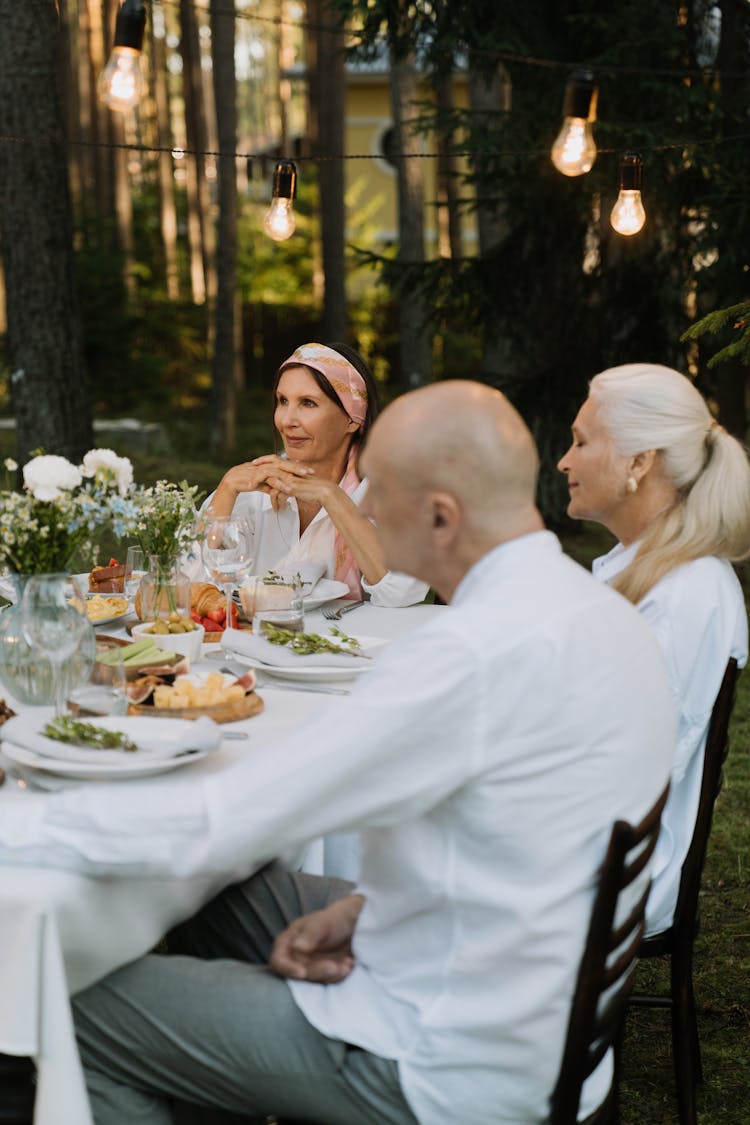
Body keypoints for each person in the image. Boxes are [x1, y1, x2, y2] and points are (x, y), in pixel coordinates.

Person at [0, 382, 675, 1123]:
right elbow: (539, 837)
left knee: (75, 1006)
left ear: (440, 517)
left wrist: (20, 827)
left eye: (378, 499)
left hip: (436, 1054)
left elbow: (222, 818)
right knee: (218, 895)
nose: (365, 517)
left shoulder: (467, 655)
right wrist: (361, 907)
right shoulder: (601, 611)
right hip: (518, 997)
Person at [558, 361, 750, 936]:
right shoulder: (644, 566)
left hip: (606, 870)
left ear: (640, 462)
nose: (565, 460)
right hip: (587, 840)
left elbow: (614, 773)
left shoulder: (681, 594)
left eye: (581, 441)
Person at [200, 341, 427, 607]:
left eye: (308, 403)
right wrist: (226, 490)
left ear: (353, 418)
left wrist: (332, 496)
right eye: (282, 401)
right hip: (258, 643)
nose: (286, 420)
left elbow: (402, 594)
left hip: (355, 645)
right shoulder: (253, 488)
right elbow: (194, 579)